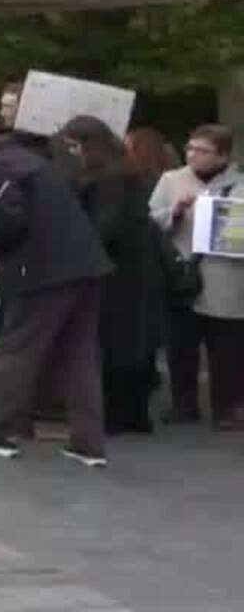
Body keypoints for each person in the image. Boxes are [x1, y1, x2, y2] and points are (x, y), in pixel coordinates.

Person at [0, 120, 113, 466]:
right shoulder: (30, 161)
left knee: (18, 350)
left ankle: (0, 431)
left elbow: (10, 219)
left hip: (42, 270)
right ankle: (88, 442)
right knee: (79, 355)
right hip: (86, 265)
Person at [57, 116, 167, 436]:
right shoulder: (124, 173)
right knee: (132, 342)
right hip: (132, 268)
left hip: (116, 271)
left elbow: (105, 227)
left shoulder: (109, 180)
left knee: (114, 341)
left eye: (75, 146)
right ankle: (133, 414)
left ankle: (117, 415)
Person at [150, 124, 244, 429]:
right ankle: (183, 405)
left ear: (223, 156)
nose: (193, 155)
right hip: (182, 273)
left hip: (226, 275)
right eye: (190, 148)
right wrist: (174, 212)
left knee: (226, 348)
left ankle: (226, 408)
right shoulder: (171, 179)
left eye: (203, 151)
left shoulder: (240, 184)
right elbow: (150, 221)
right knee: (181, 345)